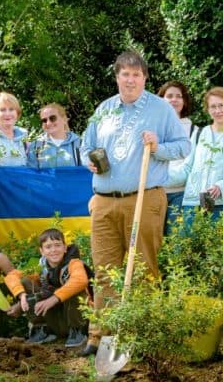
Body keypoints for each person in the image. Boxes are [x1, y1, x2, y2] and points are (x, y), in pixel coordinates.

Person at [78, 51, 191, 356]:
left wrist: (158, 146)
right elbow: (85, 146)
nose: (130, 80)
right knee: (104, 270)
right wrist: (89, 159)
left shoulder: (160, 109)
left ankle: (140, 335)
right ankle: (100, 335)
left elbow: (183, 147)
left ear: (145, 78)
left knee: (142, 269)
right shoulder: (104, 110)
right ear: (116, 77)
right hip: (103, 201)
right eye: (124, 74)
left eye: (136, 74)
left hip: (144, 197)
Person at [167, 86, 223, 231]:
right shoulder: (199, 134)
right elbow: (186, 169)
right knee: (186, 253)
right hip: (192, 205)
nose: (217, 111)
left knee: (217, 253)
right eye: (213, 107)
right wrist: (157, 176)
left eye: (221, 105)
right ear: (208, 110)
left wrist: (221, 187)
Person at [5, 228, 91, 348]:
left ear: (65, 248)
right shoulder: (39, 266)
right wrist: (22, 295)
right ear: (42, 251)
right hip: (54, 320)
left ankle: (77, 332)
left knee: (74, 288)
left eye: (57, 245)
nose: (54, 250)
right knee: (25, 281)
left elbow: (81, 280)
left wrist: (53, 299)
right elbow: (11, 276)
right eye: (48, 247)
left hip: (77, 319)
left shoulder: (74, 263)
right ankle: (42, 329)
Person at [157, 81, 200, 227]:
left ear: (184, 101)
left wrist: (160, 179)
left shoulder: (195, 130)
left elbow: (191, 166)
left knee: (177, 243)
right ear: (161, 100)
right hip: (155, 194)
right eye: (169, 96)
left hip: (181, 195)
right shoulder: (152, 128)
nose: (174, 100)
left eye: (178, 96)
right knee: (153, 242)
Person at [26, 103, 82, 168]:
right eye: (44, 120)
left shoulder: (79, 145)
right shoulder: (36, 146)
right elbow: (32, 174)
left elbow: (86, 172)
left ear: (64, 119)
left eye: (52, 118)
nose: (48, 123)